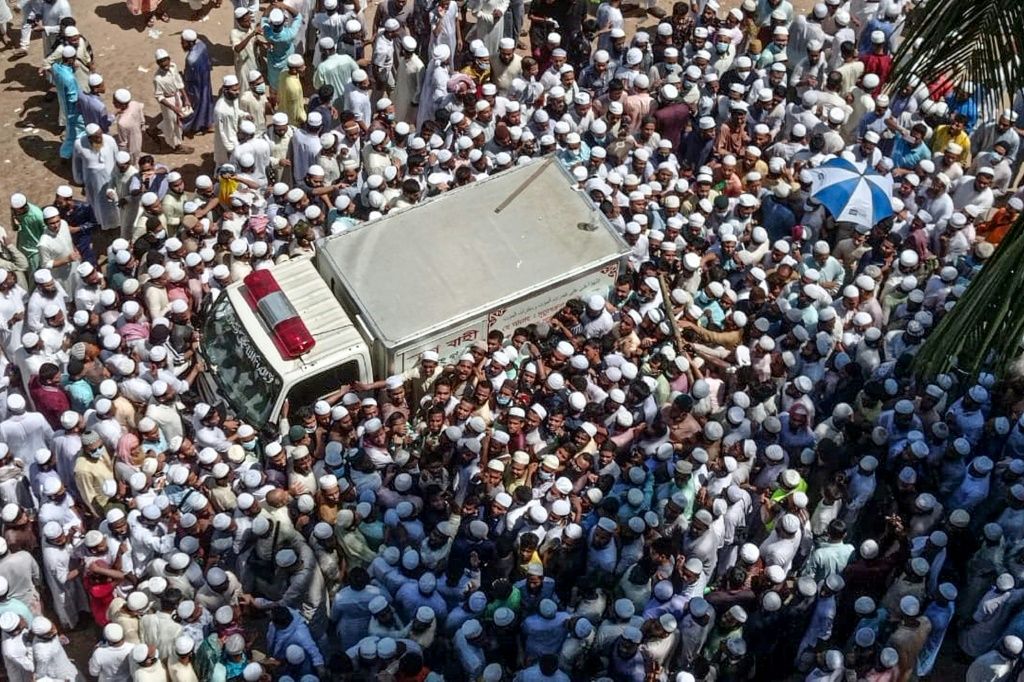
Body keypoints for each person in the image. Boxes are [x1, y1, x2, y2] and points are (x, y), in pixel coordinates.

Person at [181, 29, 214, 137]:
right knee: (206, 100)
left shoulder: (191, 59)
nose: (182, 44)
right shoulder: (202, 45)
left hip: (195, 84)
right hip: (205, 80)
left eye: (183, 42)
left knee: (195, 104)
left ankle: (192, 126)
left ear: (189, 42)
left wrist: (183, 79)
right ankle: (207, 123)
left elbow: (189, 77)